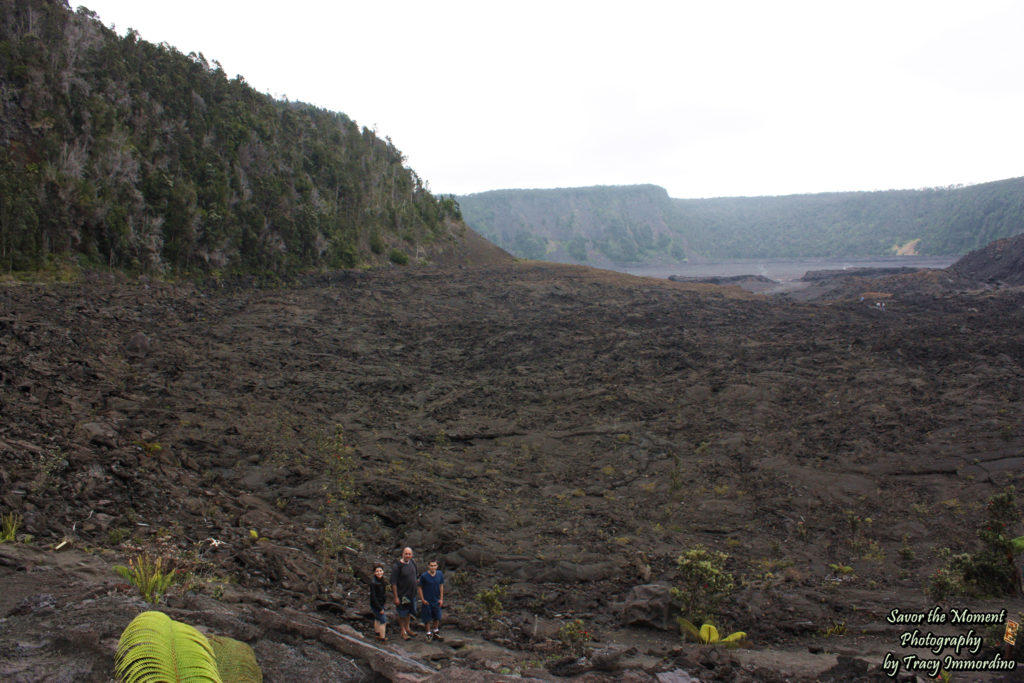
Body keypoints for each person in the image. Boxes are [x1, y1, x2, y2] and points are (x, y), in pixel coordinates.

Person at [391, 546, 419, 640]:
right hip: (402, 595)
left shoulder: (413, 563)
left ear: (412, 555)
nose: (408, 555)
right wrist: (396, 597)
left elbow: (415, 576)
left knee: (409, 612)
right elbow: (393, 583)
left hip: (412, 594)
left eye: (409, 554)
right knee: (402, 613)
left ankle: (408, 628)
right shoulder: (397, 566)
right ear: (402, 554)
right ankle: (403, 631)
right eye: (406, 553)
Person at [418, 560, 445, 640]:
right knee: (427, 617)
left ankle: (436, 632)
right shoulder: (424, 576)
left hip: (436, 599)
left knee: (437, 616)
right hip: (427, 599)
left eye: (434, 565)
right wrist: (422, 599)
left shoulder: (440, 574)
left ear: (437, 566)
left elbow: (441, 586)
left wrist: (441, 598)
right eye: (431, 566)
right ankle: (428, 633)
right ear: (428, 566)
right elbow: (419, 587)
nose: (433, 567)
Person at [369, 563, 388, 642]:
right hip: (376, 604)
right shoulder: (373, 583)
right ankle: (382, 638)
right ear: (374, 572)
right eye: (377, 571)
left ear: (383, 572)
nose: (379, 573)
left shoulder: (382, 580)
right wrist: (380, 608)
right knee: (383, 620)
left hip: (380, 603)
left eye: (380, 571)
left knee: (377, 618)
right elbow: (373, 596)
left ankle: (377, 634)